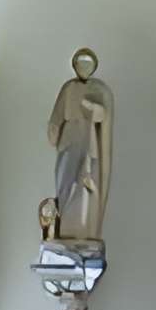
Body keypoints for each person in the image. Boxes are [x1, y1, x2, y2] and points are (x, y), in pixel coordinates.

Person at [45, 46, 114, 247]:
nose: (84, 67)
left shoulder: (99, 89)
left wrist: (94, 109)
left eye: (87, 64)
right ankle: (64, 225)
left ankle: (83, 227)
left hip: (88, 137)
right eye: (80, 63)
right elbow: (57, 115)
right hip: (68, 139)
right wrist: (54, 128)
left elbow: (104, 116)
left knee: (85, 180)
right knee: (65, 180)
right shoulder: (68, 88)